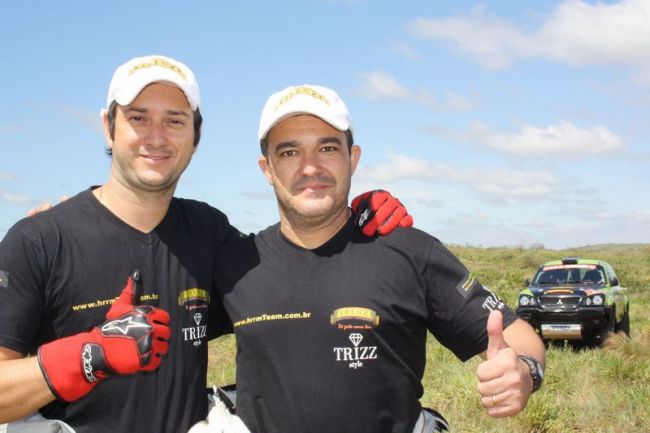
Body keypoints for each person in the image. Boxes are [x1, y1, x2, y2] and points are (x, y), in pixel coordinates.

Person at [0, 56, 411, 433]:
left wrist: (353, 219)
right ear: (108, 126)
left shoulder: (208, 231)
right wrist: (86, 356)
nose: (156, 137)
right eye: (139, 118)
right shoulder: (39, 241)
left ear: (196, 136)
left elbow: (293, 269)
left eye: (175, 121)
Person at [212, 84, 546, 433]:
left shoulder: (410, 252)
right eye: (289, 152)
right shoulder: (237, 263)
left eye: (327, 148)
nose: (310, 167)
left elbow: (516, 333)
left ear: (352, 158)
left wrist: (524, 370)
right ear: (267, 169)